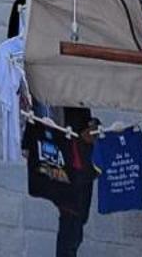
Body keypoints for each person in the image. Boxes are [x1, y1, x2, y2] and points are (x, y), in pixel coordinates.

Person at [29, 108, 98, 255]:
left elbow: (85, 122)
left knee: (77, 222)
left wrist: (92, 129)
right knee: (71, 224)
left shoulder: (76, 100)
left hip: (80, 167)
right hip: (70, 169)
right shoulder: (57, 102)